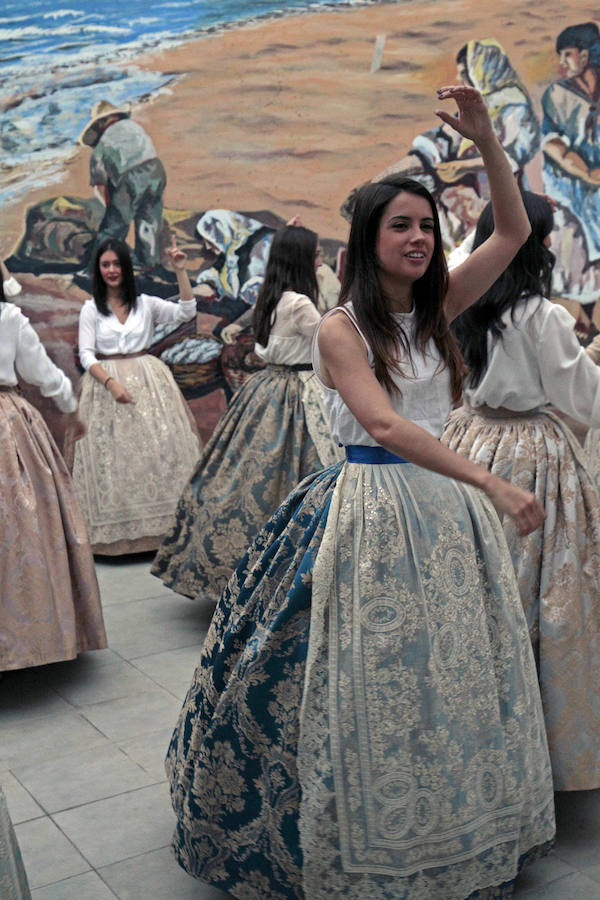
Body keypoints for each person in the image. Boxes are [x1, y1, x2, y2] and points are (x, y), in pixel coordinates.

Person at [165, 85, 554, 899]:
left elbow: (513, 231)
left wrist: (487, 142)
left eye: (426, 226)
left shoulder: (443, 303)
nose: (418, 237)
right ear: (368, 240)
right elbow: (380, 424)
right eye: (400, 226)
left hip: (445, 516)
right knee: (358, 674)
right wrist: (487, 479)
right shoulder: (342, 327)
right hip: (369, 512)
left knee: (449, 668)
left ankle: (452, 818)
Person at [442, 191, 600, 792]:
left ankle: (481, 730)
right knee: (547, 597)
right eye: (551, 233)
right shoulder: (543, 316)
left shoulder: (465, 304)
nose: (556, 244)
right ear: (532, 243)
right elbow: (582, 398)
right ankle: (544, 738)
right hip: (533, 459)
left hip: (471, 444)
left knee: (481, 588)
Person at [152, 224, 343, 599]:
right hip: (298, 392)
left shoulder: (274, 296)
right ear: (303, 259)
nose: (320, 261)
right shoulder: (301, 303)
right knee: (307, 476)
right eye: (316, 254)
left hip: (266, 388)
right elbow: (333, 337)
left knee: (246, 478)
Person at [342, 39, 540, 254]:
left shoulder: (515, 108)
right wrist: (378, 180)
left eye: (465, 73)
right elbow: (429, 152)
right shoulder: (468, 116)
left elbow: (511, 158)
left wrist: (461, 167)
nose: (460, 80)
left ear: (483, 70)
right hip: (462, 206)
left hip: (497, 206)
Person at [67, 237, 201, 555]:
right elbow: (86, 354)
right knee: (111, 458)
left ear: (126, 268)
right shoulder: (91, 309)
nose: (112, 270)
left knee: (158, 452)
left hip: (149, 382)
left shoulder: (147, 304)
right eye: (105, 265)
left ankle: (162, 535)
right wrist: (110, 384)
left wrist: (181, 271)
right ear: (98, 270)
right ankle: (116, 539)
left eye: (116, 264)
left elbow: (186, 312)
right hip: (104, 388)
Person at [0, 272, 106, 672]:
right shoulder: (8, 317)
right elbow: (43, 374)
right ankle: (28, 635)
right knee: (21, 532)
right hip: (7, 424)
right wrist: (70, 408)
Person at [541, 23, 600, 323]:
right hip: (570, 185)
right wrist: (587, 172)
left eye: (567, 54)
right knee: (573, 245)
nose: (561, 63)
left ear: (586, 55)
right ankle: (583, 319)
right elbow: (551, 143)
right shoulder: (556, 95)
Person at [78, 101, 166, 271]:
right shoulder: (135, 127)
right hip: (156, 169)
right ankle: (146, 261)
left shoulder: (102, 144)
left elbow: (100, 184)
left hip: (131, 177)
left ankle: (96, 268)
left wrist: (110, 206)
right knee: (148, 219)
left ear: (100, 123)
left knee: (114, 226)